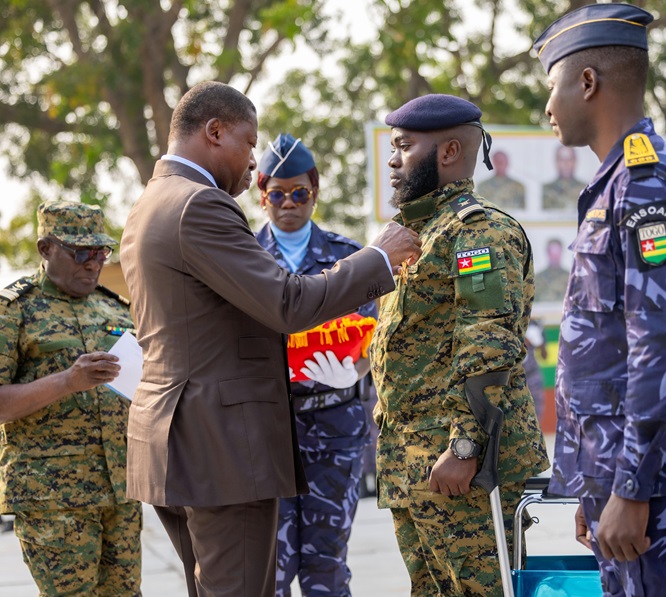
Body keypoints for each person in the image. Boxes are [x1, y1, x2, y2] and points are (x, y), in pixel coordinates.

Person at [119, 81, 421, 597]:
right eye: (248, 142)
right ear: (214, 132)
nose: (252, 157)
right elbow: (287, 304)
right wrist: (377, 257)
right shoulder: (200, 206)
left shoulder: (152, 201)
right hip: (221, 448)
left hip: (181, 441)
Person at [534, 4, 666, 596]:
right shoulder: (619, 181)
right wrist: (599, 484)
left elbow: (660, 346)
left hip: (653, 490)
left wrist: (631, 490)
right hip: (625, 482)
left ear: (586, 82)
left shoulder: (646, 183)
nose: (547, 107)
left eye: (552, 87)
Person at [370, 92, 549, 595]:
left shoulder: (477, 233)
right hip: (415, 466)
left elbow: (487, 343)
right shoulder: (417, 233)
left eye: (404, 146)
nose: (392, 159)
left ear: (448, 153)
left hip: (459, 469)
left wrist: (466, 445)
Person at [254, 132, 376, 596]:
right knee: (274, 569)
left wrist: (356, 371)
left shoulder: (348, 257)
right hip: (267, 427)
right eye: (278, 193)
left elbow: (374, 338)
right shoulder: (241, 256)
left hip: (335, 422)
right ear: (262, 195)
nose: (289, 203)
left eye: (299, 192)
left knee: (326, 565)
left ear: (315, 193)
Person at [0, 200, 141, 595]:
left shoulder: (115, 309)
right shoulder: (13, 311)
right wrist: (67, 381)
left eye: (100, 252)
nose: (93, 263)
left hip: (122, 488)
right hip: (52, 497)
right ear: (46, 249)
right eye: (81, 253)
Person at [541, 145, 587, 210]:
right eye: (562, 160)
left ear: (575, 161)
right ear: (556, 162)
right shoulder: (545, 189)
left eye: (569, 159)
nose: (566, 163)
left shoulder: (586, 189)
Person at [523, 318, 548, 423]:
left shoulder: (532, 324)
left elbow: (544, 356)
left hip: (532, 374)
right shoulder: (511, 322)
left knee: (537, 407)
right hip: (514, 375)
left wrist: (539, 340)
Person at [535, 238, 570, 303]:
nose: (555, 256)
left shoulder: (570, 278)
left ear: (561, 253)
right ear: (547, 253)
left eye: (557, 252)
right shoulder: (538, 278)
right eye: (552, 252)